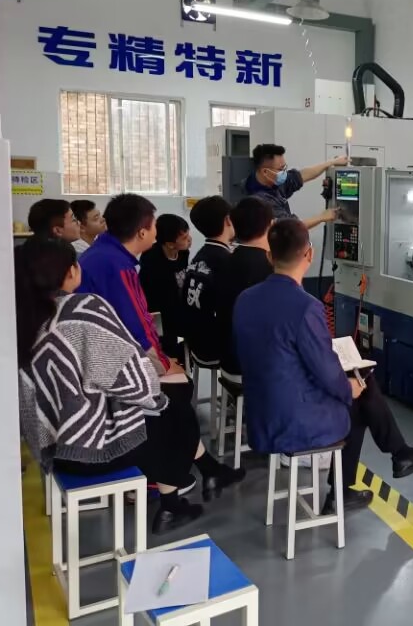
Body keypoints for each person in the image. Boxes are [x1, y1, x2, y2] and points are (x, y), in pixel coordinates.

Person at [234, 218, 413, 512]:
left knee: (360, 386)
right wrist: (348, 387)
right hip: (293, 422)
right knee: (358, 398)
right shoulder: (306, 307)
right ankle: (367, 476)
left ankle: (397, 457)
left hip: (260, 414)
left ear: (269, 255)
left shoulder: (245, 299)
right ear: (309, 254)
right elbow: (325, 370)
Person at [14, 237, 202, 533]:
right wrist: (157, 396)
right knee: (176, 413)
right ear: (70, 272)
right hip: (95, 453)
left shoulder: (21, 318)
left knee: (164, 412)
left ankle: (181, 492)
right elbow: (135, 380)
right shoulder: (81, 309)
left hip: (52, 451)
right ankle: (170, 504)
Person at [77, 194, 244, 508]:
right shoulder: (115, 265)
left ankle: (200, 472)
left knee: (178, 391)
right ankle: (167, 477)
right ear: (142, 231)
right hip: (102, 366)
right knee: (176, 394)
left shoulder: (107, 256)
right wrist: (162, 363)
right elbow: (135, 324)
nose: (156, 231)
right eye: (153, 225)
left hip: (104, 357)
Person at [216, 197, 275, 375]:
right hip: (255, 367)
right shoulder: (271, 269)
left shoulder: (224, 260)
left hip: (227, 358)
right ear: (271, 225)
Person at [181, 196, 234, 366]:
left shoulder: (200, 256)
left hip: (196, 343)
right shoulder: (226, 261)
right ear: (228, 220)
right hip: (216, 350)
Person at [243, 143, 348, 230]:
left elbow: (303, 175)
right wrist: (322, 217)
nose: (284, 172)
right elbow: (291, 227)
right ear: (265, 172)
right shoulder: (260, 201)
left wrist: (331, 162)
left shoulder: (271, 181)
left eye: (285, 167)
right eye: (280, 169)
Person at [139, 214, 192, 359]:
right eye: (184, 238)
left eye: (188, 234)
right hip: (157, 312)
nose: (189, 239)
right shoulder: (151, 259)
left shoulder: (183, 253)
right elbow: (155, 300)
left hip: (177, 309)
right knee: (165, 347)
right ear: (170, 244)